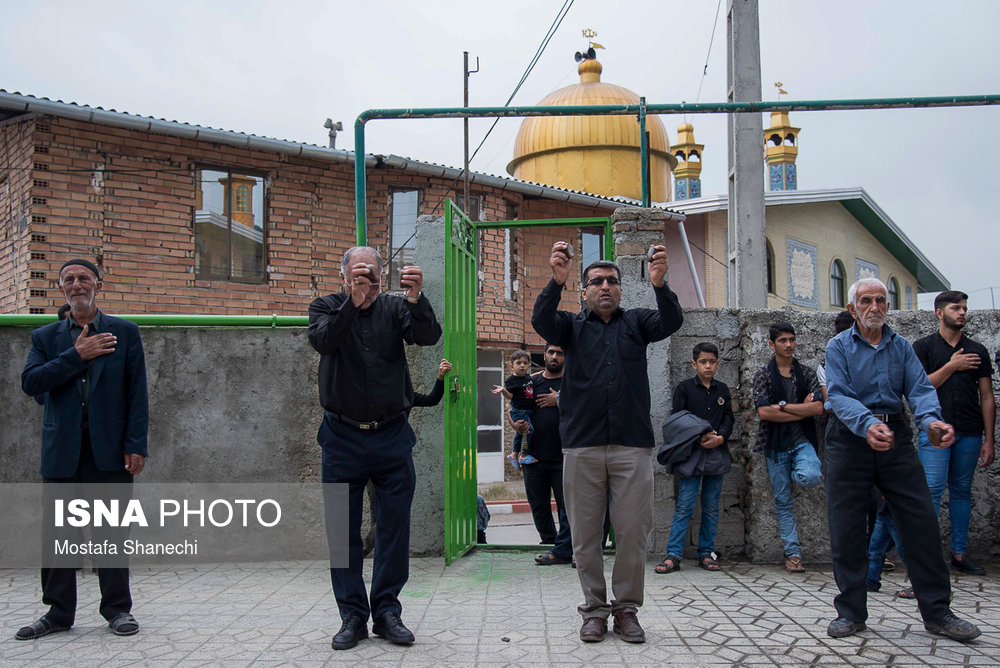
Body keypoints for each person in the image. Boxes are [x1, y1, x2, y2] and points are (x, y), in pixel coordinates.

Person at [532, 241, 683, 644]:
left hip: (631, 446)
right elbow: (541, 320)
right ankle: (594, 610)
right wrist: (556, 280)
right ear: (583, 291)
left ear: (620, 289)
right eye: (595, 281)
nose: (604, 287)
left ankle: (627, 610)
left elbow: (670, 322)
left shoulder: (637, 323)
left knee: (633, 533)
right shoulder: (570, 327)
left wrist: (660, 283)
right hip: (581, 446)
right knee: (584, 536)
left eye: (611, 281)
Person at [823, 277, 981, 641]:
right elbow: (840, 396)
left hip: (896, 436)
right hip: (850, 439)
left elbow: (921, 390)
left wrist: (932, 421)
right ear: (852, 309)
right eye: (866, 301)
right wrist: (866, 425)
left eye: (880, 300)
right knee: (847, 527)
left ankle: (938, 612)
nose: (874, 306)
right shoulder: (838, 347)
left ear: (888, 306)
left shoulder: (902, 347)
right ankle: (850, 613)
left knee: (921, 521)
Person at [308, 246, 441, 651]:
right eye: (357, 275)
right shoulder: (325, 307)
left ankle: (386, 612)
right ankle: (352, 616)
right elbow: (324, 342)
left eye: (371, 276)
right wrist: (353, 303)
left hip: (391, 436)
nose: (365, 282)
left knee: (394, 528)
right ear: (343, 276)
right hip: (341, 438)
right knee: (342, 533)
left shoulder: (394, 308)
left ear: (383, 279)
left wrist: (416, 299)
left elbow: (427, 335)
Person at [17, 259, 148, 640]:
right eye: (69, 280)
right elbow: (31, 383)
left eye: (84, 278)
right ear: (61, 289)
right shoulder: (46, 338)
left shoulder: (125, 332)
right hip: (62, 450)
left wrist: (136, 445)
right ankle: (58, 613)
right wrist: (77, 355)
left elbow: (137, 394)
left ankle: (117, 610)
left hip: (109, 451)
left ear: (98, 285)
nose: (77, 284)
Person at [911, 290, 995, 575]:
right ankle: (929, 560)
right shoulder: (923, 347)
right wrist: (952, 366)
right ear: (939, 312)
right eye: (956, 308)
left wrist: (989, 439)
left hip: (970, 432)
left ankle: (959, 555)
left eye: (964, 309)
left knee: (961, 492)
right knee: (931, 491)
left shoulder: (978, 350)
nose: (962, 313)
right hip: (934, 431)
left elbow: (987, 396)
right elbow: (919, 388)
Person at [751, 322, 824, 573]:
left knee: (810, 475)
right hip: (775, 446)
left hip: (802, 441)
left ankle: (796, 470)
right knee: (783, 502)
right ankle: (793, 554)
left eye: (792, 339)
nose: (789, 344)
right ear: (772, 344)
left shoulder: (806, 374)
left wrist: (781, 407)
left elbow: (818, 408)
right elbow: (763, 412)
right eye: (782, 340)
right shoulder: (763, 375)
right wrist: (800, 410)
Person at [656, 342, 734, 574]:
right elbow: (677, 420)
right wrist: (699, 436)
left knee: (711, 507)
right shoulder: (684, 389)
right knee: (685, 506)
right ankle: (673, 554)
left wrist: (720, 438)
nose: (708, 366)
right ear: (694, 364)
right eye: (703, 362)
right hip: (691, 454)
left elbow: (729, 419)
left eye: (712, 362)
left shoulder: (722, 390)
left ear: (718, 363)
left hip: (716, 453)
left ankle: (706, 552)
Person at [514, 344, 572, 565]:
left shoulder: (571, 382)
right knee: (538, 505)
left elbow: (585, 406)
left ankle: (564, 547)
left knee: (566, 507)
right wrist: (517, 425)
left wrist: (557, 400)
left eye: (560, 352)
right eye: (551, 352)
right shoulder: (532, 382)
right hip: (534, 457)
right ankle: (550, 544)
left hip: (564, 457)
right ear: (544, 354)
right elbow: (515, 408)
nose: (555, 356)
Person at [492, 349, 537, 467]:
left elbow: (529, 379)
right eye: (518, 363)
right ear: (512, 366)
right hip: (519, 411)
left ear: (528, 365)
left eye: (525, 363)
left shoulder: (527, 377)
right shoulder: (511, 380)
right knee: (529, 431)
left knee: (519, 434)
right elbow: (510, 396)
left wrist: (539, 374)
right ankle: (523, 455)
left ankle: (513, 454)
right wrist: (503, 390)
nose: (522, 365)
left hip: (527, 410)